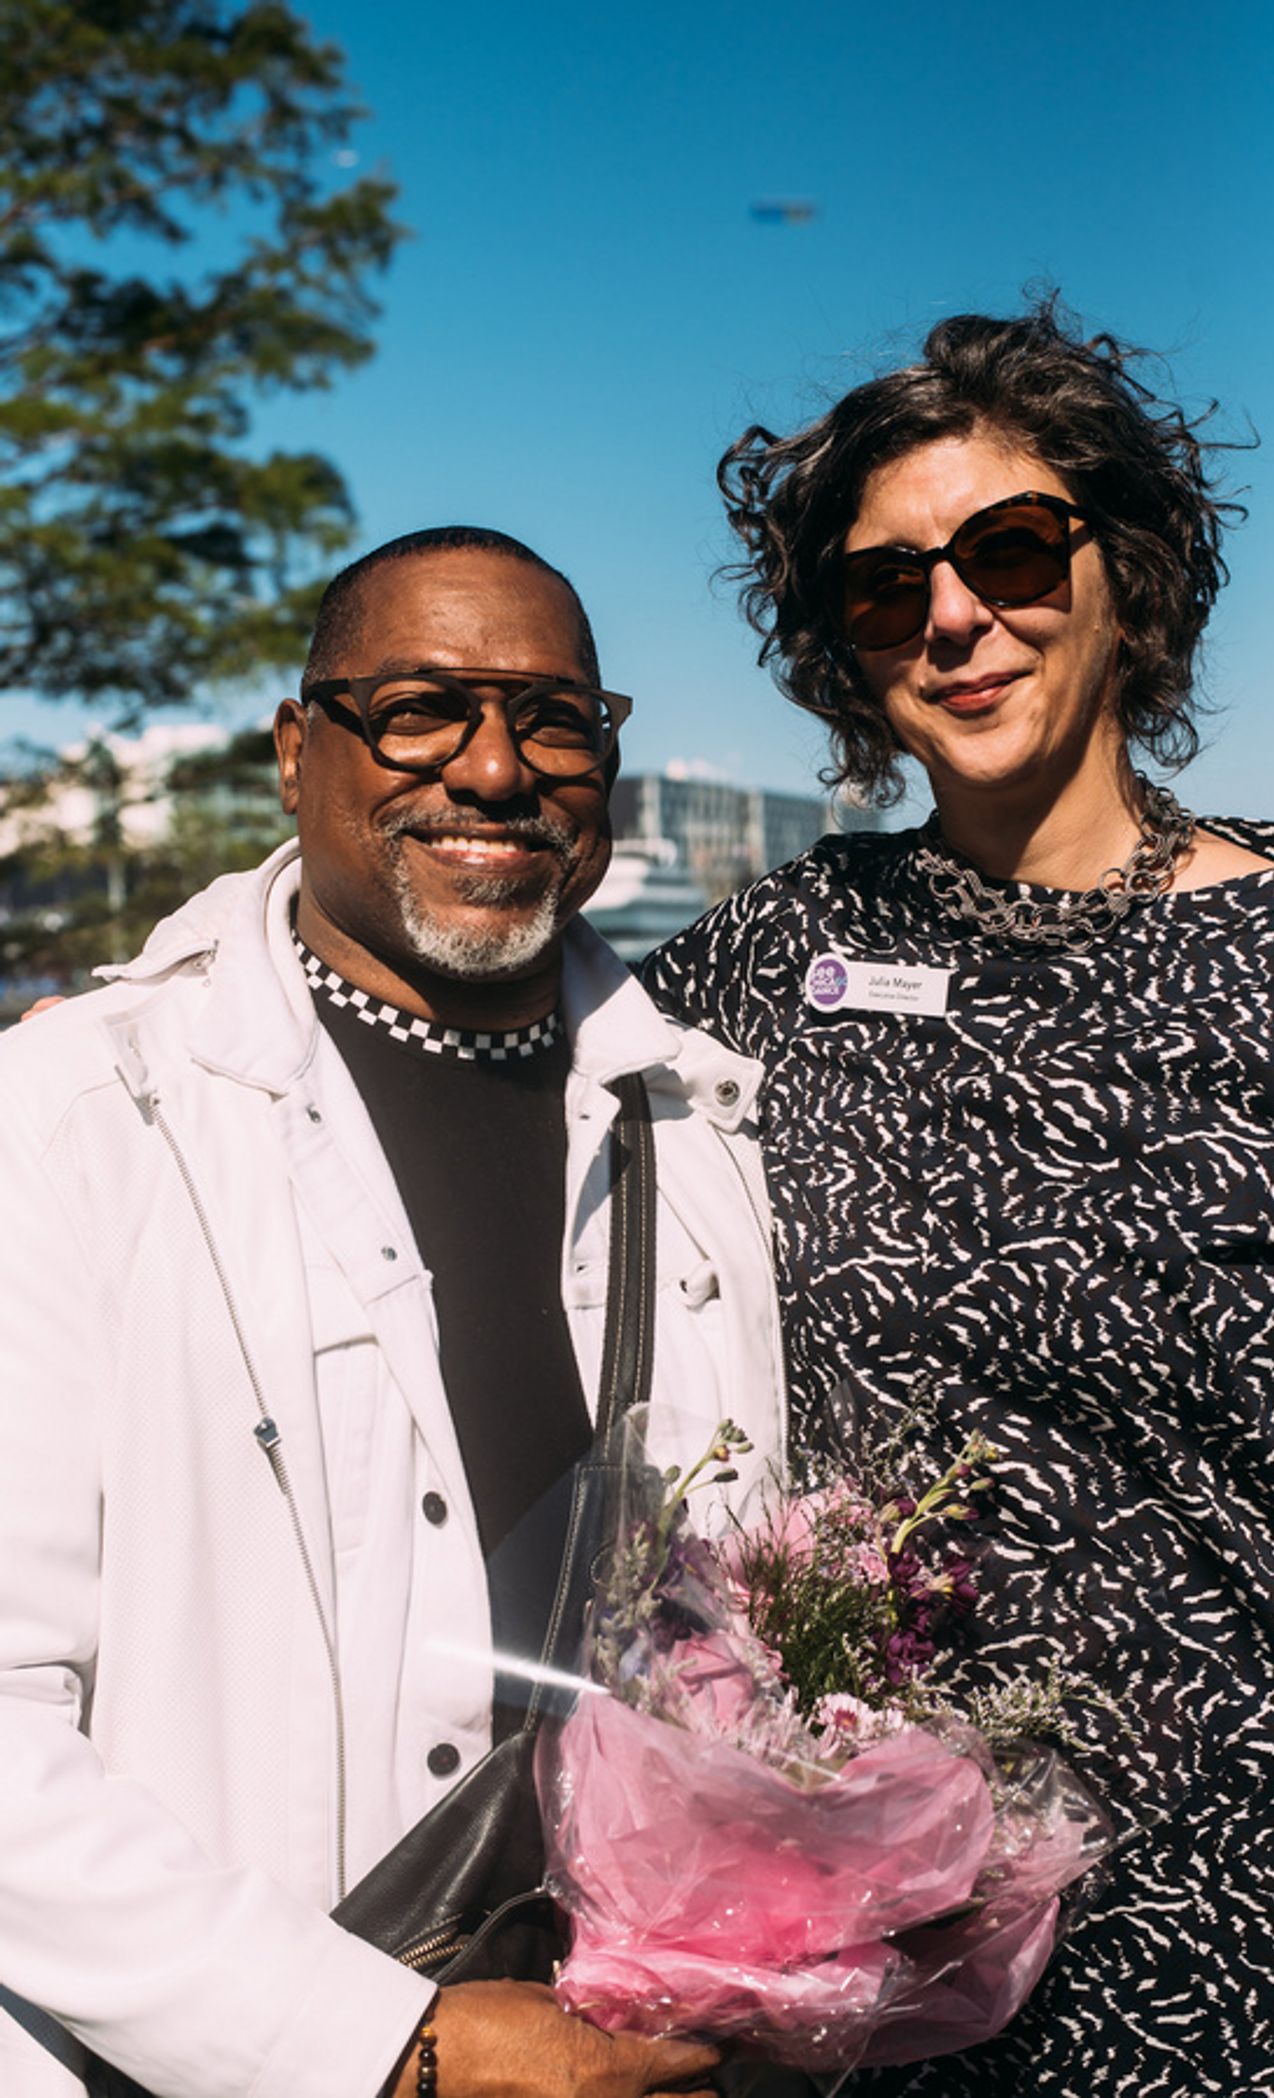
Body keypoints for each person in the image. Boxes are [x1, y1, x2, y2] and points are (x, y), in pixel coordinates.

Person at [641, 304, 1274, 2095]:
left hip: (1270, 1948)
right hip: (866, 1973)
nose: (955, 619)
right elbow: (487, 1095)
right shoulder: (777, 953)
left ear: (1125, 573)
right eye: (887, 588)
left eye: (1006, 550)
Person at [0, 526, 785, 2098]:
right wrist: (383, 2044)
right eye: (422, 708)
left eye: (556, 719)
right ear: (301, 752)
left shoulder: (698, 1135)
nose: (498, 769)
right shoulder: (77, 1116)